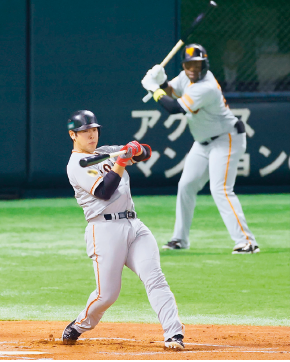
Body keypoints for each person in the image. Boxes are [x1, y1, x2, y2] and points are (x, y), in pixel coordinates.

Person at [63, 110, 185, 350]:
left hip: (134, 226)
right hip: (104, 230)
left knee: (156, 279)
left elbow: (146, 153)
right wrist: (120, 162)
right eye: (85, 131)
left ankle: (174, 335)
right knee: (107, 295)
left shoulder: (106, 152)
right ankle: (79, 325)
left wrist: (135, 149)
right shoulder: (77, 164)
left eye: (94, 129)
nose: (91, 135)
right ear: (73, 135)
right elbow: (104, 191)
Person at [141, 44, 259, 254]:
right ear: (184, 65)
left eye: (198, 64)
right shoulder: (186, 77)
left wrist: (153, 88)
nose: (193, 69)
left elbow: (175, 108)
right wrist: (161, 81)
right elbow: (172, 91)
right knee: (186, 185)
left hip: (226, 138)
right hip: (203, 142)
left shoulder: (206, 86)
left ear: (205, 65)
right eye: (189, 64)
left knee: (220, 188)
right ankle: (180, 239)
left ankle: (247, 242)